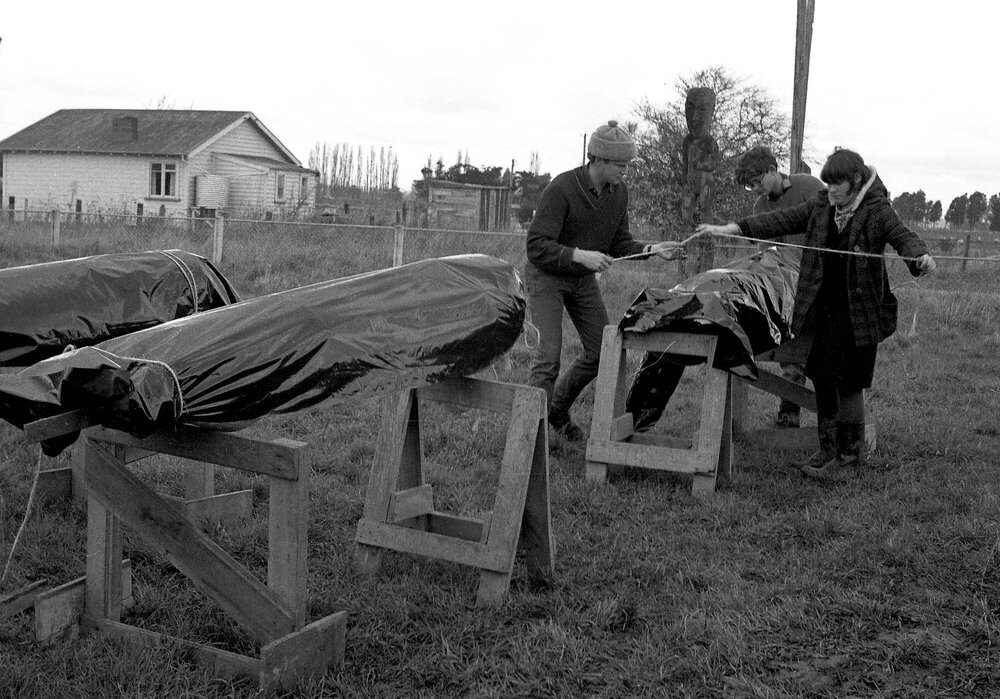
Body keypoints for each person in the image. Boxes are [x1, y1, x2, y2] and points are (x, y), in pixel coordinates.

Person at [695, 147, 936, 481]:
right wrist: (733, 228)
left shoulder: (877, 210)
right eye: (828, 184)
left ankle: (849, 460)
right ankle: (828, 450)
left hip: (859, 312)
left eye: (837, 184)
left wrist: (919, 257)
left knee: (850, 384)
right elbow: (782, 219)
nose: (831, 190)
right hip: (823, 310)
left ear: (855, 181)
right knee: (822, 376)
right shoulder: (822, 205)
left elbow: (902, 237)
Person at [525, 120, 683, 442]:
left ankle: (556, 410)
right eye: (620, 165)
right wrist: (579, 255)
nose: (625, 172)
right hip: (547, 278)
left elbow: (619, 242)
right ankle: (528, 435)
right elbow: (536, 245)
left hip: (581, 281)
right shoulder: (561, 189)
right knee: (547, 359)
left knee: (602, 351)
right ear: (597, 159)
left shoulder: (618, 193)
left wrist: (652, 249)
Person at [735, 145, 826, 429]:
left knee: (820, 356)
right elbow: (766, 254)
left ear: (773, 170)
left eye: (758, 181)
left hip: (818, 282)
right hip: (783, 288)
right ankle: (789, 414)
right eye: (750, 186)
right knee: (788, 347)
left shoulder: (809, 187)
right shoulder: (759, 208)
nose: (756, 189)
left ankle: (834, 421)